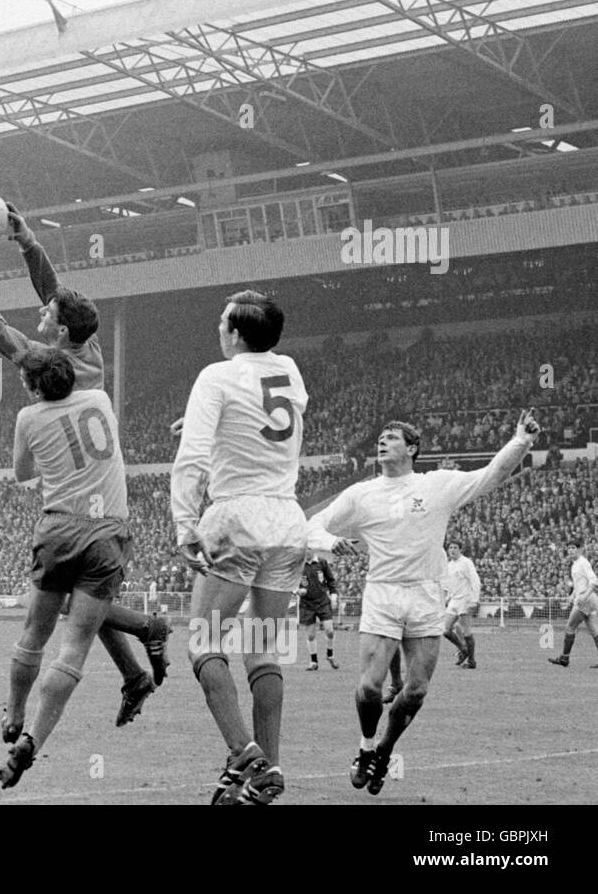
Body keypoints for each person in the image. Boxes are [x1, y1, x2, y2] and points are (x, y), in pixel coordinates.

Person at [0, 207, 169, 727]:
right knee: (83, 597)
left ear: (60, 330)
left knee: (67, 602)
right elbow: (53, 293)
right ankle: (136, 671)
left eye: (48, 316)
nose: (41, 314)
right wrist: (28, 243)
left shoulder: (50, 365)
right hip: (102, 491)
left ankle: (145, 627)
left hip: (73, 500)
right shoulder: (83, 347)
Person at [308, 412, 539, 795]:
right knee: (369, 688)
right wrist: (329, 542)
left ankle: (383, 751)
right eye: (380, 437)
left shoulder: (436, 486)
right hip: (382, 591)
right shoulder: (361, 494)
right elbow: (312, 524)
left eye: (392, 437)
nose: (382, 441)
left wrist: (521, 441)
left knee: (415, 690)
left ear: (412, 448)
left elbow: (490, 477)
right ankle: (365, 748)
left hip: (427, 594)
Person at [173, 289, 307, 806]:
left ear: (235, 332)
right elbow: (269, 424)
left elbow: (192, 459)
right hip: (287, 519)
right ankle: (266, 772)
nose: (218, 329)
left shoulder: (216, 375)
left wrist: (186, 522)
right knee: (262, 646)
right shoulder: (291, 371)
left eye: (222, 321)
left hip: (237, 517)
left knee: (204, 641)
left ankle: (242, 753)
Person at [0, 348, 133, 788]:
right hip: (107, 530)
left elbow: (21, 474)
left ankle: (14, 710)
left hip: (57, 527)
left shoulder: (28, 417)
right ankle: (33, 739)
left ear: (35, 387)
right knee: (74, 646)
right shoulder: (101, 401)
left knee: (34, 634)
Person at [548, 540, 598, 668]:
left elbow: (594, 581)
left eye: (573, 548)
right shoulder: (575, 564)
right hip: (587, 598)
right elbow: (580, 584)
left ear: (579, 549)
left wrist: (584, 596)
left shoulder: (583, 563)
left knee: (570, 627)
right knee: (594, 630)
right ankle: (564, 658)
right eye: (569, 548)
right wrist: (572, 595)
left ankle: (564, 659)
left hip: (585, 599)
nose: (570, 550)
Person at [443, 541, 480, 669]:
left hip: (465, 600)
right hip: (454, 600)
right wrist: (446, 598)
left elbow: (475, 581)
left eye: (455, 547)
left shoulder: (466, 563)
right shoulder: (449, 565)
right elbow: (450, 585)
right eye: (450, 547)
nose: (452, 550)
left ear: (460, 550)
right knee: (445, 630)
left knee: (466, 631)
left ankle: (472, 661)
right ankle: (463, 648)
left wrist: (474, 600)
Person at [299, 556, 339, 671]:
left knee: (329, 630)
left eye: (310, 547)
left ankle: (330, 654)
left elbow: (331, 581)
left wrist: (334, 596)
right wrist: (297, 591)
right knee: (311, 634)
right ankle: (313, 661)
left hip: (322, 602)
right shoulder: (298, 564)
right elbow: (290, 581)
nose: (308, 550)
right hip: (307, 605)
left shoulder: (322, 562)